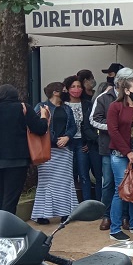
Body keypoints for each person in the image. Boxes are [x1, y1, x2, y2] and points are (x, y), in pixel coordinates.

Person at [0, 84, 49, 214]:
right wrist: (43, 116)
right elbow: (40, 129)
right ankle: (8, 229)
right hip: (17, 159)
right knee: (11, 198)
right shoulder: (23, 108)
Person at [91, 67, 133, 230]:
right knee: (108, 183)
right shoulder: (104, 98)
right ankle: (106, 215)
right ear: (119, 81)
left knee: (127, 183)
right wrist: (113, 128)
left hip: (130, 148)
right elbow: (93, 120)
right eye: (128, 79)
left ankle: (125, 217)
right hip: (108, 148)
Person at [107, 78, 133, 241]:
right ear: (127, 91)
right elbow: (113, 131)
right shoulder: (115, 107)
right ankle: (115, 228)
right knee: (121, 189)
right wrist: (127, 152)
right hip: (120, 155)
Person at [32, 82, 79, 224]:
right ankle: (42, 214)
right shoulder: (41, 107)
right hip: (47, 151)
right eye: (65, 90)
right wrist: (52, 139)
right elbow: (36, 126)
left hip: (65, 151)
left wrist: (67, 137)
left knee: (65, 182)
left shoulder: (67, 108)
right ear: (56, 92)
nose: (67, 92)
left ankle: (67, 213)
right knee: (46, 182)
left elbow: (73, 126)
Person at [63, 75, 94, 201]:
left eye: (79, 86)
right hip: (67, 143)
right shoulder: (63, 105)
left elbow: (92, 124)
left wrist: (89, 142)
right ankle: (70, 205)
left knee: (84, 174)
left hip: (82, 142)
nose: (76, 89)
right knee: (69, 175)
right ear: (67, 88)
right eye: (73, 87)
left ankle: (86, 204)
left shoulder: (87, 104)